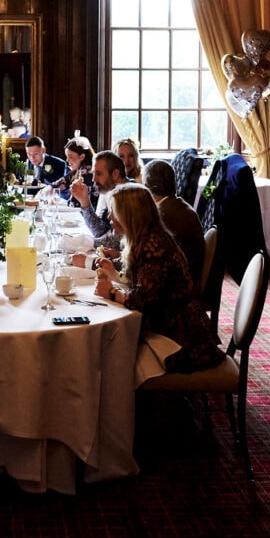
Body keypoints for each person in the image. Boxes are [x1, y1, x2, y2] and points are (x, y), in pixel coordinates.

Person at [91, 185, 224, 374]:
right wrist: (114, 274)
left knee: (110, 354)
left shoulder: (152, 246)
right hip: (172, 325)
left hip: (180, 339)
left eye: (114, 211)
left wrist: (112, 292)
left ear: (128, 215)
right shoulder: (147, 237)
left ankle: (133, 400)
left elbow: (143, 301)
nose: (109, 217)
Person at [142, 159, 206, 289]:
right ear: (174, 184)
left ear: (147, 188)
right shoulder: (178, 205)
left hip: (177, 288)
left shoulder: (161, 216)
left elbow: (145, 260)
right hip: (183, 277)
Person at [69, 150, 129, 257]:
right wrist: (85, 201)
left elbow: (116, 242)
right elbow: (101, 231)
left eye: (99, 173)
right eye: (93, 173)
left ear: (115, 174)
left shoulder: (130, 196)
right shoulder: (111, 191)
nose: (93, 179)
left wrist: (84, 243)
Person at [60, 135, 95, 206]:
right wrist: (50, 187)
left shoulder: (86, 172)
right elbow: (61, 182)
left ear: (82, 157)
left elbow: (74, 203)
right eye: (66, 157)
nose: (67, 160)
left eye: (70, 157)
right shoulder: (78, 169)